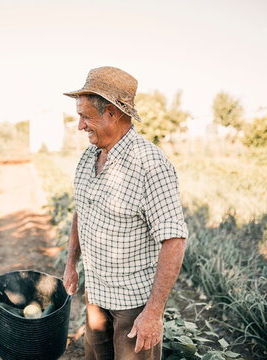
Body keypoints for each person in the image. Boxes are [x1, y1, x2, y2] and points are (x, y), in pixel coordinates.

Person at [62, 67, 188, 360]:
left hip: (133, 305)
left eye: (86, 116)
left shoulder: (150, 165)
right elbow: (82, 210)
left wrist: (153, 313)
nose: (80, 125)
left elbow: (174, 241)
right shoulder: (88, 157)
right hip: (96, 296)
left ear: (112, 113)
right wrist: (71, 263)